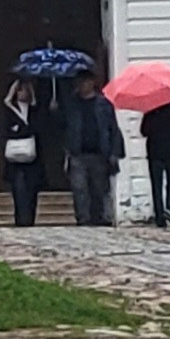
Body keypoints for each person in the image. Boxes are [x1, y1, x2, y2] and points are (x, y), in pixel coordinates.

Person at [59, 67, 124, 226]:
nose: (83, 85)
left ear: (92, 83)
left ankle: (100, 217)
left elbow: (112, 128)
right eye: (80, 82)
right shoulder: (71, 105)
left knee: (100, 188)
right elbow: (61, 126)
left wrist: (115, 152)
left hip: (99, 153)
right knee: (79, 188)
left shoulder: (104, 105)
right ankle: (83, 218)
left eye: (86, 82)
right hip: (78, 153)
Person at [0, 74, 44, 226]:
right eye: (20, 90)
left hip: (32, 157)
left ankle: (30, 219)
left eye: (25, 90)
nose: (23, 93)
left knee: (32, 190)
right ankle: (20, 220)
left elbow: (37, 127)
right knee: (18, 190)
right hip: (16, 157)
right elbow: (9, 127)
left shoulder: (34, 110)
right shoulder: (11, 110)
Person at [141, 97, 170, 227]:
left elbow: (144, 131)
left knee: (158, 186)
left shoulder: (152, 112)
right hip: (168, 154)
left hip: (157, 154)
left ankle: (161, 215)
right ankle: (169, 210)